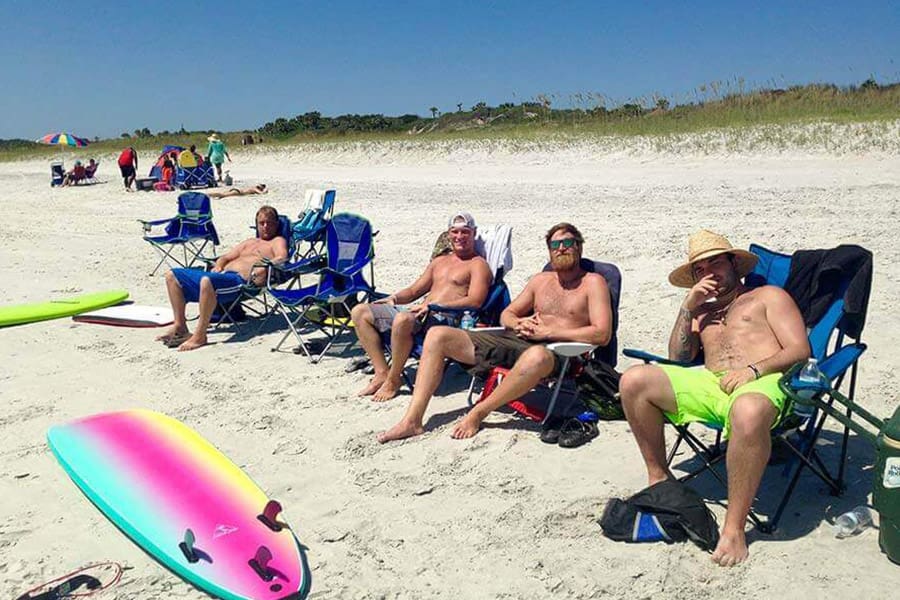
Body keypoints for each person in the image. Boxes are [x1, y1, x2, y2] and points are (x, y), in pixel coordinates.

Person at [617, 230, 810, 567]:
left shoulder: (767, 296)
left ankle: (734, 527)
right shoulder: (702, 311)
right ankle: (660, 480)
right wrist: (687, 309)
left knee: (747, 411)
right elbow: (678, 356)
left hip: (762, 382)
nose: (710, 272)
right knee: (634, 380)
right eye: (701, 269)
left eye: (716, 263)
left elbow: (799, 350)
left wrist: (754, 370)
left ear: (734, 263)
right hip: (709, 383)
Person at [377, 222, 612, 442]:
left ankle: (479, 412)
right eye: (555, 245)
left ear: (579, 247)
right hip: (519, 340)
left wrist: (549, 332)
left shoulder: (593, 282)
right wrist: (518, 323)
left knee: (536, 356)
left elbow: (602, 334)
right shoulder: (540, 281)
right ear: (549, 251)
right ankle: (412, 420)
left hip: (562, 352)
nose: (561, 249)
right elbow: (507, 314)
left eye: (568, 243)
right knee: (438, 335)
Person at [352, 213, 492, 402]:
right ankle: (381, 373)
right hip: (420, 313)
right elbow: (414, 290)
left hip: (446, 318)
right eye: (455, 231)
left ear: (473, 233)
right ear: (448, 234)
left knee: (403, 319)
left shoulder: (478, 265)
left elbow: (475, 301)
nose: (460, 236)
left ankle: (394, 380)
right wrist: (393, 299)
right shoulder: (439, 262)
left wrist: (434, 305)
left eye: (465, 232)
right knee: (360, 311)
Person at [155, 206, 288, 352]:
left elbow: (282, 257)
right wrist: (218, 265)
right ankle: (180, 326)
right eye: (261, 223)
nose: (265, 226)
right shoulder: (249, 242)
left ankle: (200, 335)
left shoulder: (277, 241)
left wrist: (265, 266)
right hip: (221, 275)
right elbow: (225, 257)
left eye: (269, 223)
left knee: (207, 281)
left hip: (240, 282)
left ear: (276, 224)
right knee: (172, 275)